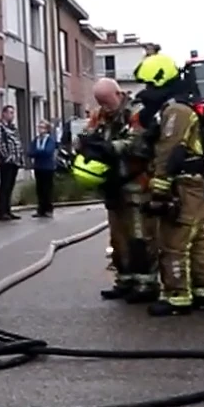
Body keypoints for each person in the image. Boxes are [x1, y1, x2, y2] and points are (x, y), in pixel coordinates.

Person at [133, 52, 204, 314]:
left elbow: (169, 148)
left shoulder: (176, 111)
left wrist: (159, 186)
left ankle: (176, 297)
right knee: (196, 241)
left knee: (174, 242)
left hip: (180, 184)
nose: (147, 91)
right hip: (189, 182)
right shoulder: (179, 106)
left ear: (159, 80)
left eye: (149, 85)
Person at [81, 77, 154, 301]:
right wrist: (85, 144)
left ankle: (146, 284)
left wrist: (109, 148)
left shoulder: (136, 113)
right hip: (113, 183)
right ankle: (124, 280)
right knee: (117, 237)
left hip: (135, 181)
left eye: (107, 101)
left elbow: (137, 142)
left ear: (119, 94)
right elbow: (86, 134)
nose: (104, 107)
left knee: (139, 235)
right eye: (100, 102)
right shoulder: (99, 114)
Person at [0, 104, 24, 221]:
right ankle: (2, 212)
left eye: (13, 113)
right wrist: (6, 157)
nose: (12, 115)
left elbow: (18, 142)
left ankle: (8, 210)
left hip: (15, 162)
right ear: (4, 114)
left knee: (10, 186)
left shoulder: (14, 128)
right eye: (10, 113)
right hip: (6, 162)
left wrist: (19, 158)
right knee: (4, 186)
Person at [28, 119, 60, 218]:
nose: (40, 129)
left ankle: (48, 209)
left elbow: (48, 151)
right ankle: (40, 209)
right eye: (39, 127)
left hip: (48, 167)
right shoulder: (36, 140)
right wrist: (38, 152)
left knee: (47, 189)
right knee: (39, 189)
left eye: (42, 127)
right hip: (38, 167)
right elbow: (30, 152)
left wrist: (37, 152)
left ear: (46, 129)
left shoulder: (50, 139)